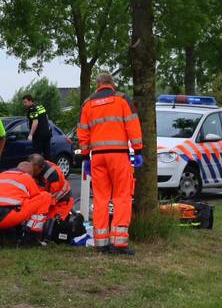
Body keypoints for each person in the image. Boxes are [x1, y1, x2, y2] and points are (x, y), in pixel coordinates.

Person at [77, 72, 143, 254]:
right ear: (112, 84)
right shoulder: (122, 100)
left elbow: (83, 132)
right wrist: (138, 150)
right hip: (118, 155)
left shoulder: (87, 104)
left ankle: (101, 242)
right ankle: (119, 242)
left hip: (97, 157)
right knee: (122, 196)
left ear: (97, 85)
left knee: (100, 198)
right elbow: (133, 125)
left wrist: (85, 156)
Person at [0, 159, 52, 238]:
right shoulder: (26, 177)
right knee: (45, 196)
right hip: (6, 219)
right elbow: (36, 197)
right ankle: (32, 234)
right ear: (29, 173)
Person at [29, 153, 73, 220]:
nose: (32, 173)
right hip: (48, 198)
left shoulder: (53, 176)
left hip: (62, 202)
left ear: (41, 168)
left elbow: (52, 198)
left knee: (52, 223)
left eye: (35, 171)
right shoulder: (36, 167)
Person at [22, 94, 51, 159]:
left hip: (39, 135)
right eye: (23, 102)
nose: (24, 104)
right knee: (47, 154)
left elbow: (35, 122)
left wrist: (30, 134)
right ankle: (47, 165)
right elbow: (46, 117)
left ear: (30, 101)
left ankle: (38, 165)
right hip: (47, 134)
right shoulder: (40, 106)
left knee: (36, 156)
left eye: (25, 102)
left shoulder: (32, 109)